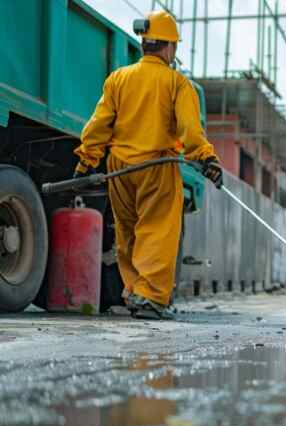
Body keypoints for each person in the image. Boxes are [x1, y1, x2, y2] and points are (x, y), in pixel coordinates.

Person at [73, 11, 223, 320]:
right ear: (169, 47)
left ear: (145, 43)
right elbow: (190, 131)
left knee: (128, 233)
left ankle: (134, 291)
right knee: (156, 231)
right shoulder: (177, 83)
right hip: (156, 166)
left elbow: (99, 123)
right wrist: (206, 158)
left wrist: (87, 160)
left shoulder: (119, 78)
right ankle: (151, 298)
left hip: (120, 169)